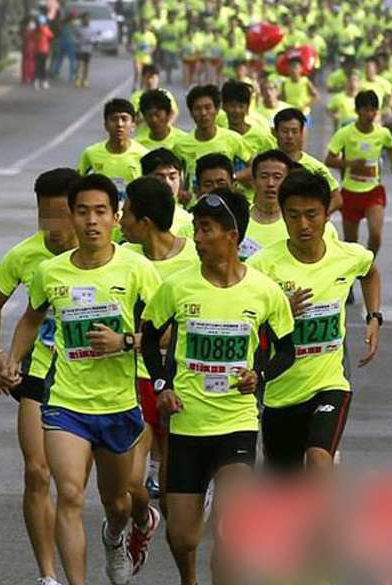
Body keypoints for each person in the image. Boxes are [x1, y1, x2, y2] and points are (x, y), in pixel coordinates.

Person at [0, 174, 161, 585]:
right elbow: (30, 319)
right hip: (66, 403)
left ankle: (115, 535)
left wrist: (125, 340)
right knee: (69, 496)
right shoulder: (50, 273)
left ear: (115, 216)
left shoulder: (138, 269)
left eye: (101, 212)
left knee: (117, 501)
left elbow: (168, 333)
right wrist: (12, 359)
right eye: (83, 211)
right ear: (71, 216)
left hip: (119, 405)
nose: (92, 220)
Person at [140, 188, 296, 585]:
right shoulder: (177, 287)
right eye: (195, 228)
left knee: (230, 531)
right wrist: (162, 387)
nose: (198, 237)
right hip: (188, 424)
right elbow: (150, 339)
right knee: (183, 535)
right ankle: (188, 579)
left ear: (232, 236)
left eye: (206, 229)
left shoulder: (263, 290)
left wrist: (259, 376)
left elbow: (286, 352)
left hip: (237, 424)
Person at [247, 168, 381, 475]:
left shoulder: (348, 256)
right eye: (293, 216)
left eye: (311, 214)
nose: (303, 225)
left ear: (326, 214)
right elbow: (245, 322)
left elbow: (370, 271)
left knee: (320, 457)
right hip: (280, 393)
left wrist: (374, 317)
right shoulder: (262, 266)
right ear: (282, 216)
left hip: (329, 384)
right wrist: (279, 312)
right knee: (285, 486)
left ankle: (323, 522)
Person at [0, 168, 81, 585]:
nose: (53, 227)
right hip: (40, 374)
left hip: (96, 383)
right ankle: (47, 575)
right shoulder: (25, 255)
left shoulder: (111, 253)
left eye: (61, 215)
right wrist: (0, 355)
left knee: (118, 494)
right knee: (37, 471)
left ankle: (125, 522)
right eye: (45, 216)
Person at [118, 176, 199, 574]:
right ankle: (139, 520)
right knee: (132, 483)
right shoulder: (121, 256)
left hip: (179, 384)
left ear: (145, 220)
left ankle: (188, 575)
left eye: (125, 211)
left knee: (170, 499)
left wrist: (129, 339)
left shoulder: (193, 260)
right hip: (133, 379)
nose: (119, 219)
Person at [325, 90, 392, 258]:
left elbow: (391, 147)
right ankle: (352, 274)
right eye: (366, 110)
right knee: (351, 242)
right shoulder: (345, 133)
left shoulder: (382, 133)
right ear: (357, 111)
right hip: (350, 192)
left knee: (375, 235)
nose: (370, 114)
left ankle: (367, 263)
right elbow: (329, 160)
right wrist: (350, 164)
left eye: (373, 110)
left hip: (373, 190)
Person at [173, 85, 253, 193]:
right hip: (196, 204)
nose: (203, 113)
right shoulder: (180, 145)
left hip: (227, 202)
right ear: (191, 113)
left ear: (216, 110)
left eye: (207, 107)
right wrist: (181, 192)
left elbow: (253, 168)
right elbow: (176, 176)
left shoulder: (232, 138)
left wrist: (231, 177)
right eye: (198, 109)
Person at [77, 98, 149, 203]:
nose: (119, 124)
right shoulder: (90, 154)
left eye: (124, 119)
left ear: (133, 125)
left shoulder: (144, 155)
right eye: (114, 119)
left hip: (131, 216)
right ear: (106, 125)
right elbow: (78, 188)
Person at [272, 108, 342, 214]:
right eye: (285, 131)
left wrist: (317, 217)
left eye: (294, 131)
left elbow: (337, 198)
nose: (289, 136)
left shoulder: (316, 167)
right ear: (275, 133)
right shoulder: (266, 164)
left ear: (301, 133)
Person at [238, 149, 297, 260]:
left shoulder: (297, 222)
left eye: (277, 177)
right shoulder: (237, 219)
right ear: (253, 182)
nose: (270, 183)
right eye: (264, 177)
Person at [140, 147, 193, 234]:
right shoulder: (130, 219)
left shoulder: (189, 221)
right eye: (160, 177)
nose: (167, 183)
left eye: (172, 177)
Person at [75, 13, 94, 88]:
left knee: (86, 65)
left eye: (88, 19)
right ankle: (79, 79)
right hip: (80, 49)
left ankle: (85, 79)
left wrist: (91, 41)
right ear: (82, 20)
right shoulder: (78, 29)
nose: (87, 20)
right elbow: (75, 37)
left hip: (88, 50)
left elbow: (94, 38)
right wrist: (77, 42)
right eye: (85, 19)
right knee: (80, 64)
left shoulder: (91, 29)